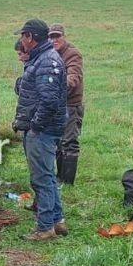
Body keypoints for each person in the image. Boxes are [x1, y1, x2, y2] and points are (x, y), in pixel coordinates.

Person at [12, 18, 68, 240]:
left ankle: (45, 228)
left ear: (30, 37)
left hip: (43, 130)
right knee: (48, 176)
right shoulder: (41, 59)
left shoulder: (46, 61)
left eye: (23, 36)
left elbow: (49, 100)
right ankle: (57, 220)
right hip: (42, 127)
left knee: (41, 178)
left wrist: (35, 126)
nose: (21, 41)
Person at [47, 24, 83, 184]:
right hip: (56, 105)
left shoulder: (72, 54)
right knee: (58, 142)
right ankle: (59, 177)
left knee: (69, 142)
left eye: (57, 36)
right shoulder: (50, 54)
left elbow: (73, 77)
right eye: (51, 37)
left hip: (71, 104)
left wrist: (56, 88)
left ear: (64, 36)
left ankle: (67, 181)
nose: (54, 40)